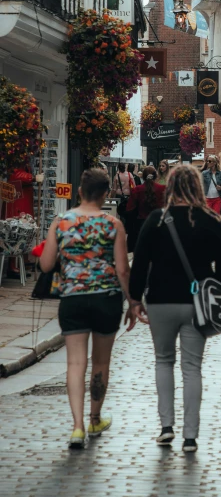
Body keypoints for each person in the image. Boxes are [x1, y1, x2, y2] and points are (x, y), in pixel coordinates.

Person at [129, 164, 221, 453]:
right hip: (196, 303)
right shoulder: (210, 220)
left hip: (160, 300)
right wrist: (215, 291)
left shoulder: (156, 220)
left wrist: (135, 299)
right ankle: (190, 436)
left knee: (163, 361)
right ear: (197, 187)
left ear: (171, 188)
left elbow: (139, 263)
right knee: (192, 367)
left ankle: (166, 428)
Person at [40, 169, 136, 449]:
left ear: (79, 191)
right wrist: (132, 302)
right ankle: (95, 417)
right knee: (101, 362)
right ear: (106, 194)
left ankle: (77, 427)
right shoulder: (113, 224)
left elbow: (46, 265)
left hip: (73, 299)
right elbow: (122, 268)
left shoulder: (61, 222)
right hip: (106, 298)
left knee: (75, 363)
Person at [126, 166, 165, 252]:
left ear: (143, 177)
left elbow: (129, 209)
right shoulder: (162, 189)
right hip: (158, 226)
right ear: (155, 176)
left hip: (141, 226)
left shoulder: (137, 190)